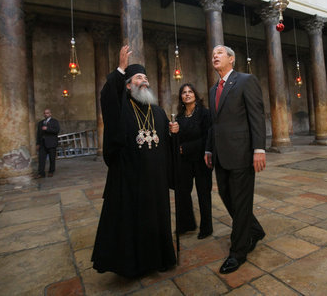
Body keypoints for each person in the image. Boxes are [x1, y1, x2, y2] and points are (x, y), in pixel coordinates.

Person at [91, 45, 179, 278]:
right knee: (133, 223)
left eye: (146, 77)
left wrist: (173, 133)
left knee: (157, 220)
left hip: (156, 181)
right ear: (128, 85)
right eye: (139, 77)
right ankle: (135, 266)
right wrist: (120, 68)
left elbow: (164, 144)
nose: (145, 81)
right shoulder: (120, 107)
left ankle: (160, 259)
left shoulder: (158, 111)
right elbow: (107, 96)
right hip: (130, 179)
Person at [205, 45, 266, 274]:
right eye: (213, 54)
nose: (214, 56)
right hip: (221, 155)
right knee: (227, 196)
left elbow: (256, 115)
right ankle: (255, 229)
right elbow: (215, 124)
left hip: (242, 153)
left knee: (241, 202)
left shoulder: (245, 80)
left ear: (231, 58)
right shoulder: (213, 90)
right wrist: (209, 150)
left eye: (219, 53)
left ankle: (238, 252)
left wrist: (259, 148)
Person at [175, 83, 213, 239]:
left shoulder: (205, 114)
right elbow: (178, 139)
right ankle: (186, 224)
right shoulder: (179, 117)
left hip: (201, 159)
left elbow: (208, 138)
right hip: (185, 161)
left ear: (195, 95)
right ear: (181, 98)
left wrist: (186, 147)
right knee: (182, 192)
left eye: (190, 91)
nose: (187, 94)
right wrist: (173, 134)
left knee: (203, 193)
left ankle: (207, 227)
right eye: (184, 93)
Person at [35, 108, 60, 178]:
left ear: (50, 114)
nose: (46, 114)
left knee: (52, 159)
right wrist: (37, 143)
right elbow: (38, 134)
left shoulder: (54, 121)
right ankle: (41, 173)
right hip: (42, 144)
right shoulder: (41, 123)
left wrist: (47, 129)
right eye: (45, 113)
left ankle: (51, 171)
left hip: (51, 143)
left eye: (47, 113)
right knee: (41, 159)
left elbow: (57, 130)